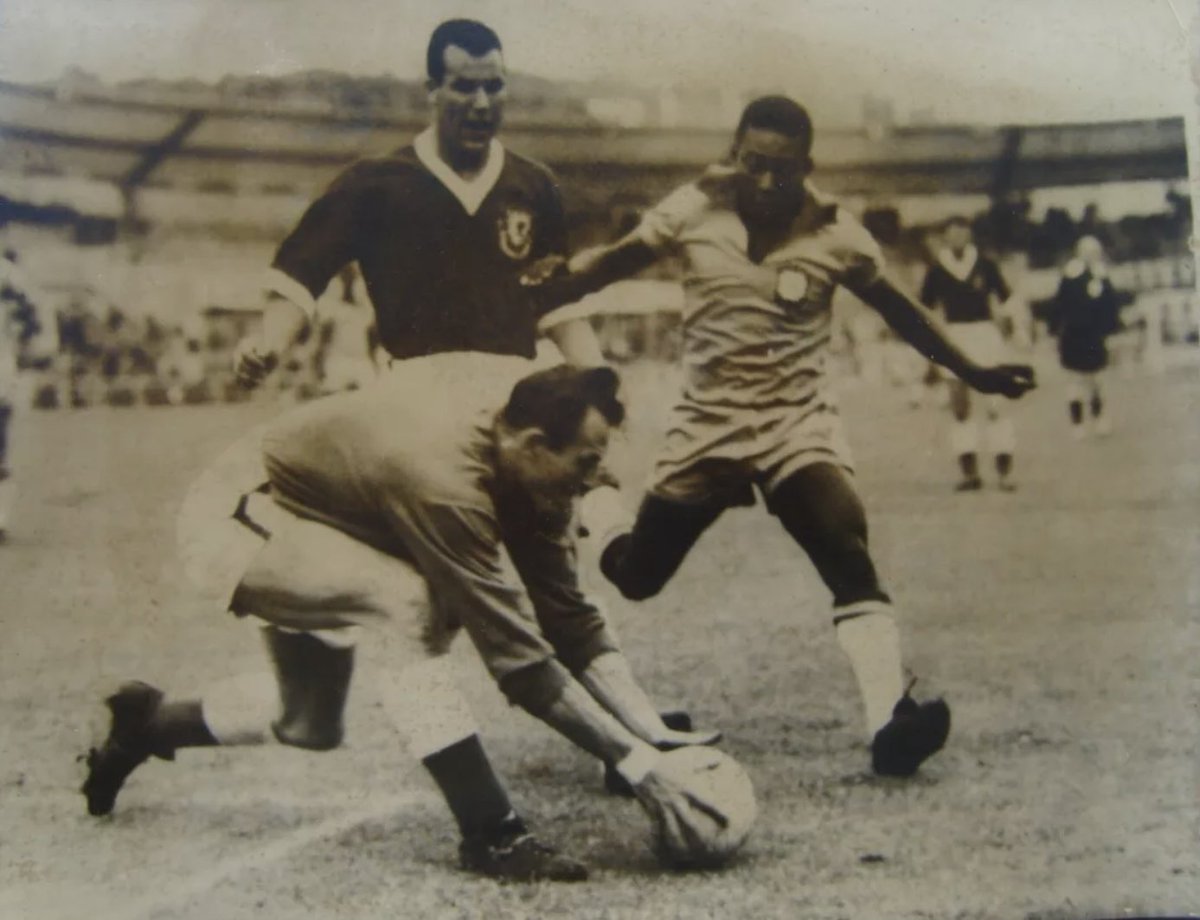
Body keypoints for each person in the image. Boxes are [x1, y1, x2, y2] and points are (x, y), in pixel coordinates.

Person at [526, 96, 1036, 777]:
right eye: (752, 164)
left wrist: (973, 367)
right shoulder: (691, 209)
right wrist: (536, 291)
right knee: (637, 576)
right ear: (734, 154)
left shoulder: (839, 236)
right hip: (706, 429)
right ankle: (602, 501)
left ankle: (889, 720)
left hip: (797, 425)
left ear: (808, 168)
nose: (765, 182)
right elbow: (612, 264)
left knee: (844, 540)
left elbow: (902, 312)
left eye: (782, 170)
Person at [80, 357, 720, 883]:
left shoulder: (535, 449)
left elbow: (567, 617)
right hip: (243, 513)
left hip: (339, 513)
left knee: (307, 724)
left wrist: (651, 736)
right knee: (410, 602)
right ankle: (490, 832)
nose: (592, 480)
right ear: (529, 445)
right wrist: (638, 766)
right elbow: (520, 664)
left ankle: (146, 722)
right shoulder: (446, 479)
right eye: (583, 463)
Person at [234, 18, 603, 391]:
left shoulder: (535, 185)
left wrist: (601, 379)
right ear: (432, 90)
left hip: (508, 394)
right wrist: (269, 345)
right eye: (463, 87)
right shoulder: (375, 183)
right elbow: (300, 272)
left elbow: (560, 306)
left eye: (493, 87)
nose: (481, 103)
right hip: (414, 394)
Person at [919, 217, 1020, 490]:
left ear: (970, 236)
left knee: (995, 405)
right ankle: (970, 474)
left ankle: (1004, 472)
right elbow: (924, 307)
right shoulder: (937, 269)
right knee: (960, 407)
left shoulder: (985, 265)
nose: (958, 239)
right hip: (955, 336)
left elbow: (1007, 299)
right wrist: (931, 344)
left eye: (963, 234)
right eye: (952, 234)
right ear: (945, 238)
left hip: (985, 334)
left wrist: (1011, 328)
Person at [0, 247, 55, 537]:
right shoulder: (10, 274)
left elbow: (33, 315)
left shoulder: (8, 274)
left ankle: (1, 519)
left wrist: (23, 344)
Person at [1046, 236, 1123, 438]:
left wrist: (1112, 333)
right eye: (1086, 252)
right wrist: (1053, 331)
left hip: (1095, 336)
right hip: (1073, 335)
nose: (1091, 256)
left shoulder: (1103, 276)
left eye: (1095, 252)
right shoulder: (1069, 276)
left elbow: (1111, 307)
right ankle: (1077, 424)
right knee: (1074, 381)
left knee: (1097, 381)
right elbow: (1058, 306)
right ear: (1079, 254)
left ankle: (1099, 419)